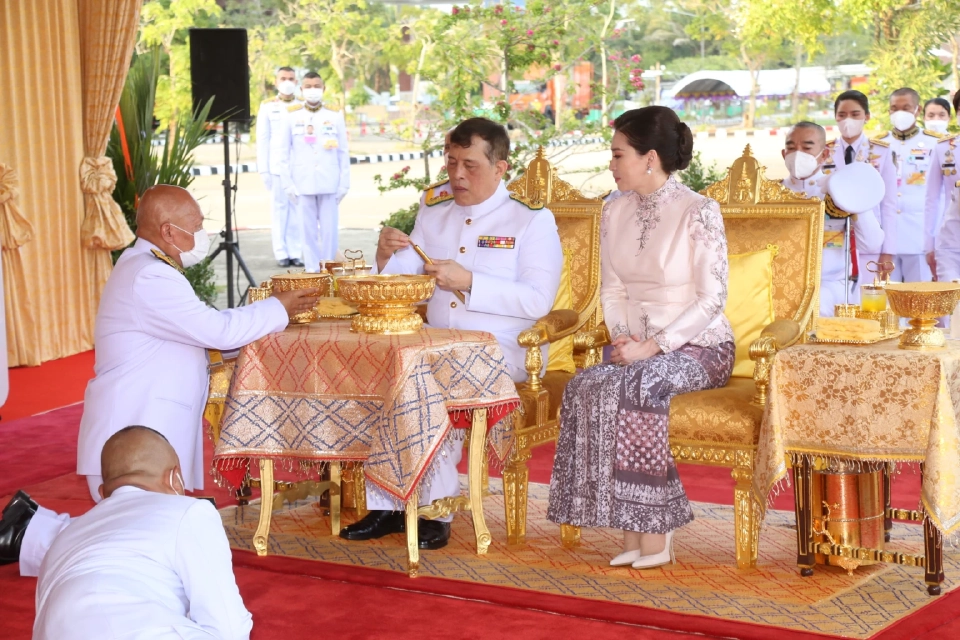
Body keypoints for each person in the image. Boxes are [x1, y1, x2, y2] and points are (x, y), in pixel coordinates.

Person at [0, 185, 319, 577]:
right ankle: (32, 532)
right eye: (196, 226)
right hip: (136, 429)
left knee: (131, 535)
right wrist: (277, 308)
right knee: (127, 537)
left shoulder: (149, 267)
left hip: (145, 423)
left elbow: (201, 341)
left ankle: (29, 529)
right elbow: (215, 331)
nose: (203, 234)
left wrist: (261, 328)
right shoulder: (150, 275)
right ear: (169, 232)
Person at [339, 117, 563, 550]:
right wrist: (384, 258)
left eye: (471, 165)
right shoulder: (435, 210)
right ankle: (386, 502)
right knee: (381, 366)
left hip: (501, 349)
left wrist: (470, 281)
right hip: (432, 342)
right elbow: (405, 276)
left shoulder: (530, 221)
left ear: (501, 168)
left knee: (422, 377)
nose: (457, 175)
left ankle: (434, 508)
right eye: (451, 162)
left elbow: (538, 301)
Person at [547, 106, 734, 570]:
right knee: (585, 384)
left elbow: (712, 299)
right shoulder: (613, 210)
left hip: (702, 346)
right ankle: (627, 525)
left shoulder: (699, 211)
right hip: (635, 343)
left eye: (617, 155)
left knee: (639, 385)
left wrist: (653, 346)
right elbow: (611, 289)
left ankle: (656, 531)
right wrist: (625, 337)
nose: (610, 165)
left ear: (650, 158)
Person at [33, 426, 252, 640]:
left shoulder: (62, 538)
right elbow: (229, 628)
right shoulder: (188, 512)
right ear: (174, 480)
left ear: (102, 493)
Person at [781, 121, 883, 315]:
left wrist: (849, 198)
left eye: (807, 147)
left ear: (825, 154)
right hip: (781, 282)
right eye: (791, 147)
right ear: (784, 155)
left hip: (829, 284)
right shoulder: (771, 194)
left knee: (815, 308)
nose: (797, 154)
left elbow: (871, 243)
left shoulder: (840, 190)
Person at [822, 90, 897, 291]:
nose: (848, 120)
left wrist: (888, 250)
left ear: (867, 116)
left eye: (855, 114)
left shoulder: (881, 152)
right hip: (831, 241)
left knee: (867, 304)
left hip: (869, 240)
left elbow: (889, 204)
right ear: (835, 117)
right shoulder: (823, 151)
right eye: (842, 114)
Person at [277, 71, 350, 271]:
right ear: (301, 89)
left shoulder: (334, 115)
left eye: (316, 86)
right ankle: (312, 271)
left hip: (329, 183)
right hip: (302, 183)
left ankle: (328, 270)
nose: (312, 90)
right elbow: (282, 153)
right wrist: (287, 184)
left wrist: (344, 184)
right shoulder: (292, 114)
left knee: (329, 233)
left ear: (323, 88)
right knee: (306, 232)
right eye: (308, 86)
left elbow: (343, 152)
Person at [874, 88, 940, 282]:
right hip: (885, 236)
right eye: (894, 108)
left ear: (917, 110)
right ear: (888, 111)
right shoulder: (878, 145)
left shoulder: (934, 143)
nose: (899, 112)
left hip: (919, 235)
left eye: (906, 107)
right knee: (886, 301)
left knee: (919, 300)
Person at [256, 66, 303, 268]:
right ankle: (281, 252)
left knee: (298, 210)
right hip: (276, 167)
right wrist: (263, 169)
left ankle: (297, 251)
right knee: (279, 210)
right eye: (283, 78)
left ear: (297, 82)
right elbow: (263, 139)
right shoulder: (268, 106)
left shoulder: (303, 106)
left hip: (299, 167)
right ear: (276, 82)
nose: (287, 81)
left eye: (291, 78)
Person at [925, 94, 959, 280]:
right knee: (949, 303)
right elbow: (932, 199)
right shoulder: (945, 148)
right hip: (950, 240)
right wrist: (929, 245)